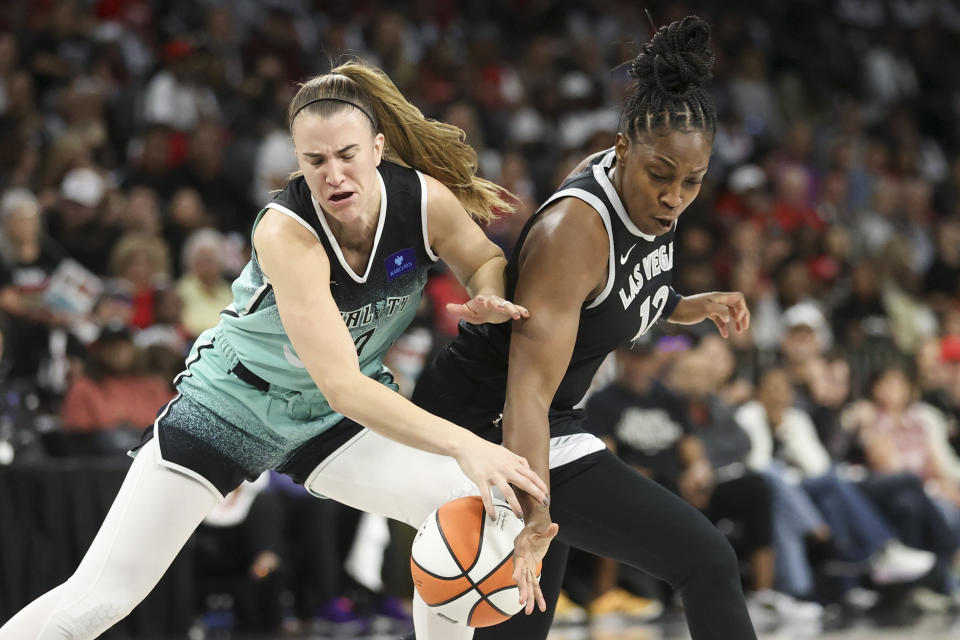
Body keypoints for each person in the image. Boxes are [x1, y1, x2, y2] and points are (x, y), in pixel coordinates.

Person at [0, 60, 549, 640]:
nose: (333, 173)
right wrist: (465, 444)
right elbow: (343, 384)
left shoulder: (421, 201)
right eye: (315, 161)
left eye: (347, 154)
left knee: (465, 508)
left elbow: (485, 257)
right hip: (231, 407)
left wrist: (486, 293)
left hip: (329, 421)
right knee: (99, 601)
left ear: (378, 148)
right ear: (297, 160)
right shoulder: (288, 232)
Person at [288, 16, 752, 640]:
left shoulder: (643, 202)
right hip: (492, 424)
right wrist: (534, 515)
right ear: (621, 153)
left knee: (521, 629)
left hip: (541, 426)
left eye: (691, 182)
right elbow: (526, 392)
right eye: (661, 175)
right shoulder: (575, 235)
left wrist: (694, 303)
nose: (674, 196)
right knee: (707, 559)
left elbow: (626, 291)